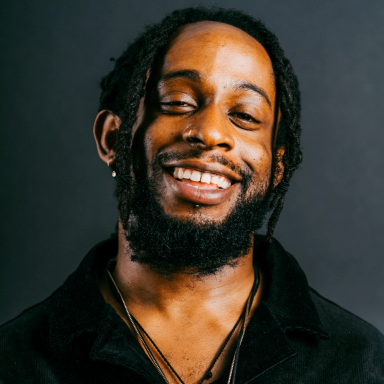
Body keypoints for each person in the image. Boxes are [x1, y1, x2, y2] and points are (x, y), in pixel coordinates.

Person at [1, 6, 383, 384]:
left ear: (277, 168)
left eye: (246, 116)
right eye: (179, 102)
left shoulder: (363, 362)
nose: (210, 132)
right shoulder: (14, 360)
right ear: (113, 139)